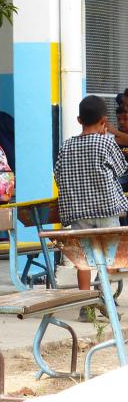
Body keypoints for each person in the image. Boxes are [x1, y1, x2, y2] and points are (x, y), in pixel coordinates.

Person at [54, 95, 128, 322]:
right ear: (104, 120)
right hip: (106, 209)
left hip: (79, 211)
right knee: (109, 258)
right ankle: (105, 297)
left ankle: (85, 306)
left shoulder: (67, 146)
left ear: (78, 119)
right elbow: (121, 169)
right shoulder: (106, 142)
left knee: (83, 259)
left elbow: (58, 173)